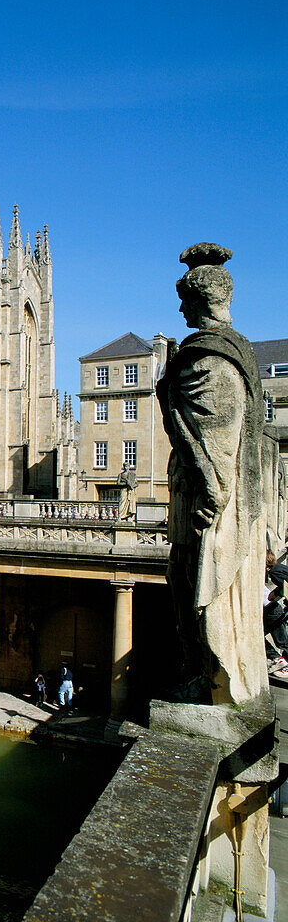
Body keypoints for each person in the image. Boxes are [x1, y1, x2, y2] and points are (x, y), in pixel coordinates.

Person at [157, 243, 268, 703]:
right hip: (198, 498)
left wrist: (211, 494)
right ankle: (205, 676)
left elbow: (216, 439)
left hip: (205, 507)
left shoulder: (210, 359)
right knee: (184, 590)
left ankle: (212, 681)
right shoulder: (229, 351)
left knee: (195, 593)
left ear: (201, 298)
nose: (180, 306)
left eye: (185, 298)